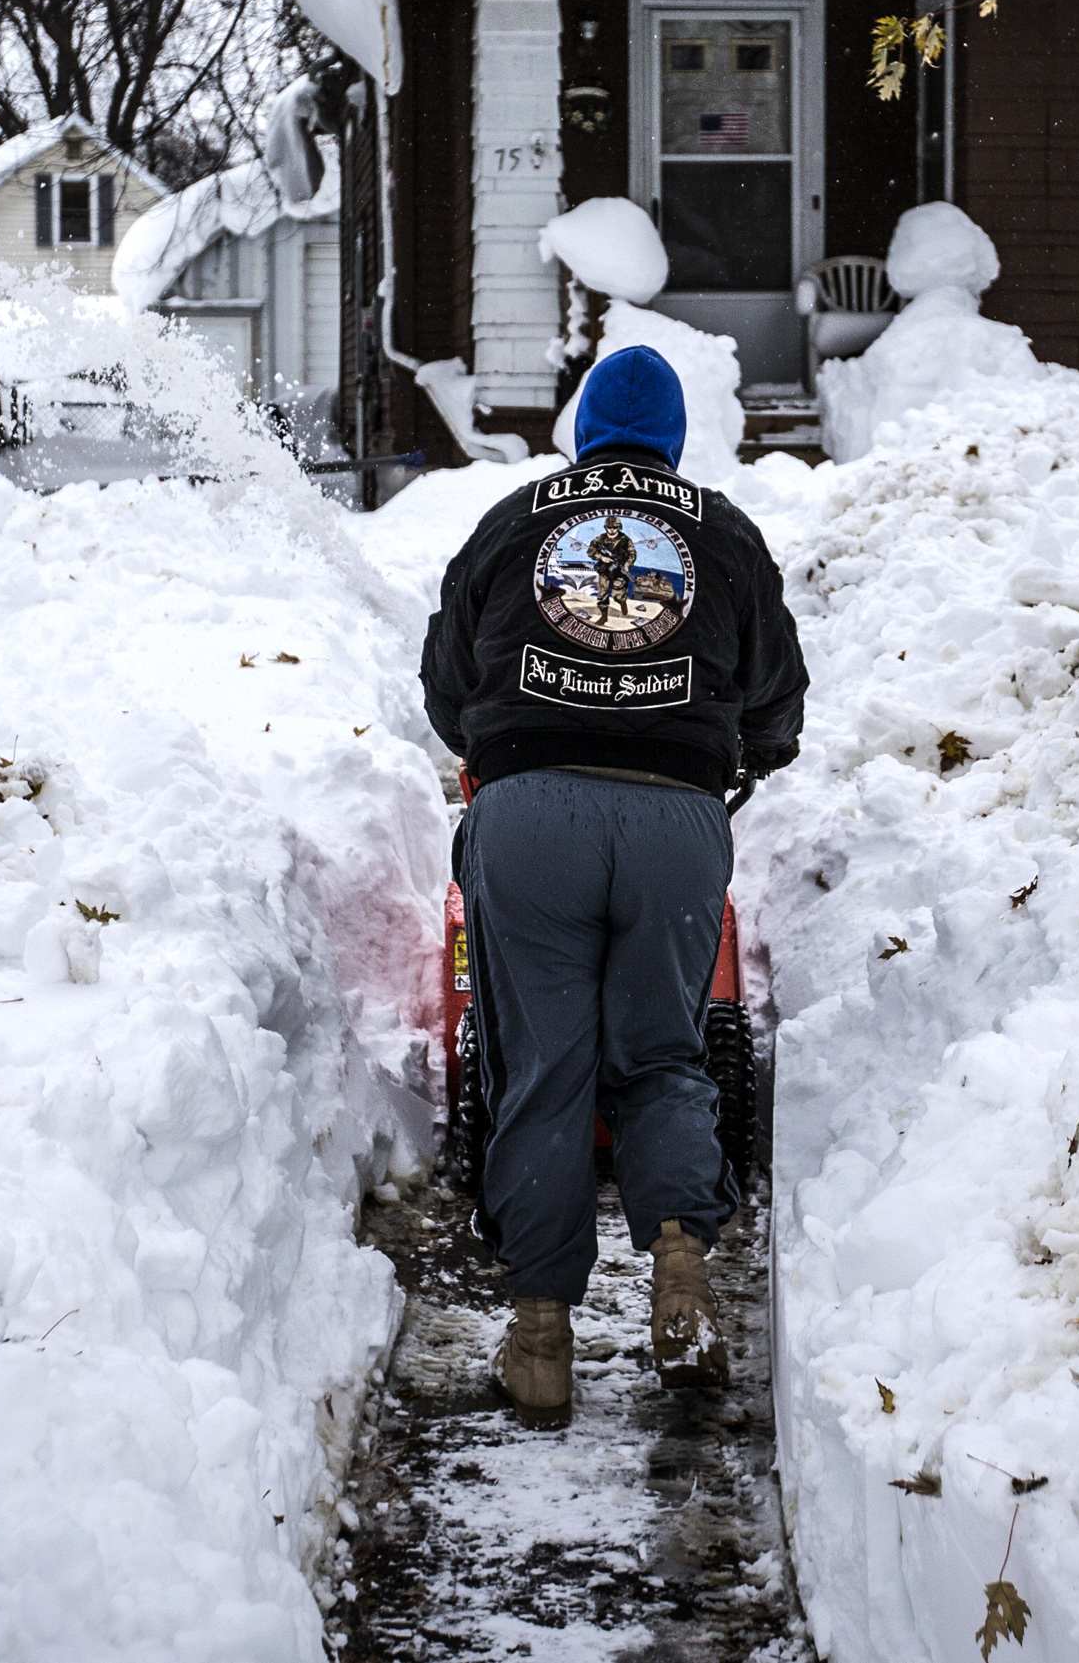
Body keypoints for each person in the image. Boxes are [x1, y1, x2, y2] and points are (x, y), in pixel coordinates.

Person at [420, 343, 808, 1421]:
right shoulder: (720, 532)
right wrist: (739, 756)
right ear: (673, 438)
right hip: (675, 825)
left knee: (540, 1066)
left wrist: (490, 743)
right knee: (663, 1052)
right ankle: (680, 1271)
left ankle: (540, 1341)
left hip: (528, 813)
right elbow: (776, 695)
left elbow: (447, 679)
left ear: (582, 431)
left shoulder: (512, 523)